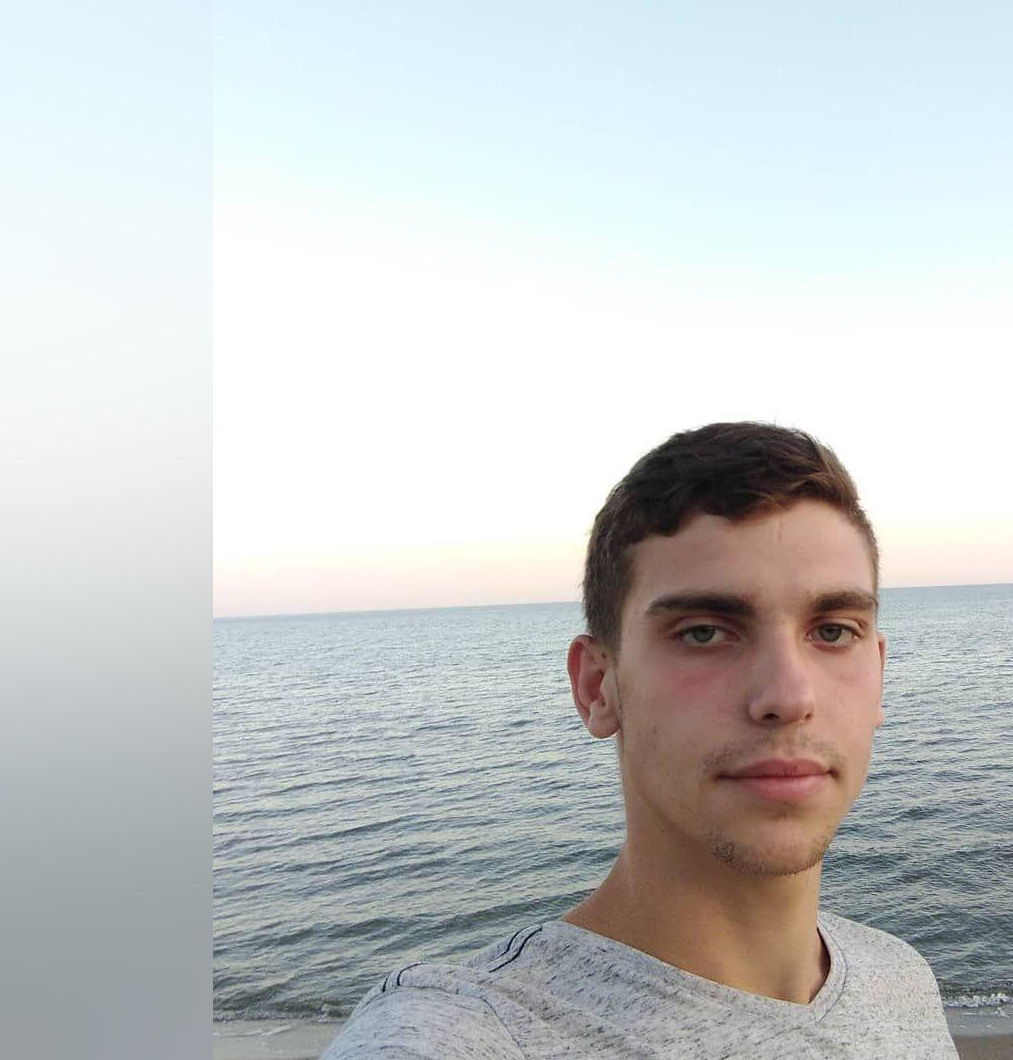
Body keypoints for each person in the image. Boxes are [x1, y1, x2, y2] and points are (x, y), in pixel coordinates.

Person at [322, 422, 959, 1058]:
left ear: (879, 674)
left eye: (834, 631)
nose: (789, 698)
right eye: (704, 632)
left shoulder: (900, 980)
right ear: (598, 686)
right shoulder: (469, 1032)